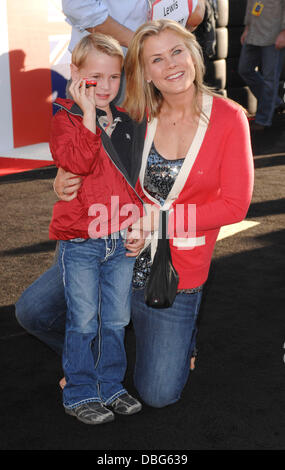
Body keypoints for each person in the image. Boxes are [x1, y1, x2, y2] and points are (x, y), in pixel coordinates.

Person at [16, 19, 254, 409]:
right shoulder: (136, 113)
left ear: (194, 53)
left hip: (171, 271)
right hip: (107, 251)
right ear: (144, 72)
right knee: (32, 311)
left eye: (177, 51)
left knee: (158, 394)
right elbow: (87, 154)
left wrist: (159, 221)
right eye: (156, 59)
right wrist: (62, 177)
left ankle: (178, 333)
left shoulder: (228, 118)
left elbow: (234, 205)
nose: (170, 65)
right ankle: (87, 362)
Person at [47, 32, 148, 425]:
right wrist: (89, 116)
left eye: (113, 77)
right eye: (94, 78)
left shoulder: (127, 121)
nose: (104, 87)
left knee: (117, 319)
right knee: (84, 320)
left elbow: (134, 180)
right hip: (82, 242)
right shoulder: (65, 119)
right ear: (74, 74)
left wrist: (139, 222)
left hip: (121, 239)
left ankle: (111, 385)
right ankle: (79, 392)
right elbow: (78, 162)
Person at [238, 0, 285, 131]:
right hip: (253, 33)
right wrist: (247, 27)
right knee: (244, 69)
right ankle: (275, 102)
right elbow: (251, 4)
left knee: (270, 79)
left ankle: (263, 120)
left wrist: (284, 33)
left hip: (274, 36)